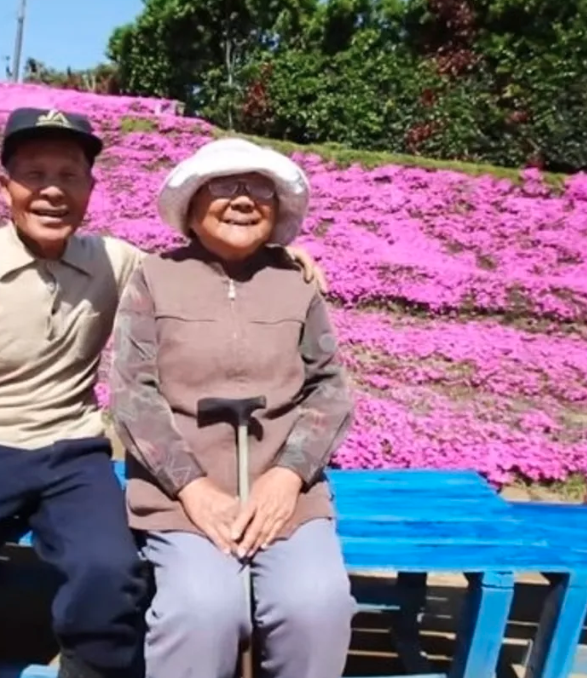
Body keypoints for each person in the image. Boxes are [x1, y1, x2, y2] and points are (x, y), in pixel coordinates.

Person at [0, 110, 328, 678]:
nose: (52, 191)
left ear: (90, 188)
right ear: (4, 185)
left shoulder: (118, 261)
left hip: (74, 451)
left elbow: (206, 259)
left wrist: (280, 256)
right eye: (34, 175)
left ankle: (90, 668)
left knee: (110, 575)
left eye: (70, 175)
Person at [110, 137, 357, 678]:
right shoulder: (154, 277)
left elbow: (330, 388)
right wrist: (193, 488)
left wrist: (288, 478)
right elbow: (132, 392)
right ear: (192, 207)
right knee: (202, 613)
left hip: (284, 493)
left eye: (258, 188)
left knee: (317, 607)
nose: (242, 199)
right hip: (182, 495)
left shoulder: (297, 282)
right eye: (222, 185)